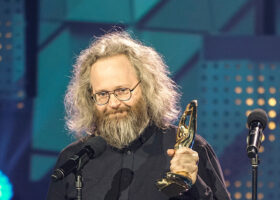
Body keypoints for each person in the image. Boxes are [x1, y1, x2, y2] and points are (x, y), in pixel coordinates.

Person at [46, 31, 231, 200]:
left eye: (122, 90)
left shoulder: (190, 148)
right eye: (102, 94)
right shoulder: (74, 160)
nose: (113, 103)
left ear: (147, 88)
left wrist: (194, 185)